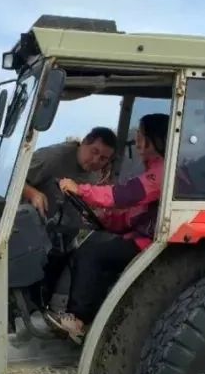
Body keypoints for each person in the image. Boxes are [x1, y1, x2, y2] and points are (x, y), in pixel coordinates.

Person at [47, 113, 170, 341]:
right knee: (96, 252)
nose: (138, 141)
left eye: (142, 135)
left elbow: (124, 195)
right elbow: (134, 216)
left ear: (156, 139)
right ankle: (88, 318)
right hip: (140, 235)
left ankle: (77, 318)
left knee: (89, 254)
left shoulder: (163, 172)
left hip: (151, 242)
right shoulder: (156, 170)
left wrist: (81, 190)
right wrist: (106, 221)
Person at [22, 127, 117, 217]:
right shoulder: (52, 158)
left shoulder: (95, 175)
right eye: (94, 151)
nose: (96, 160)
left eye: (103, 158)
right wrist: (32, 193)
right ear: (84, 142)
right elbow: (11, 180)